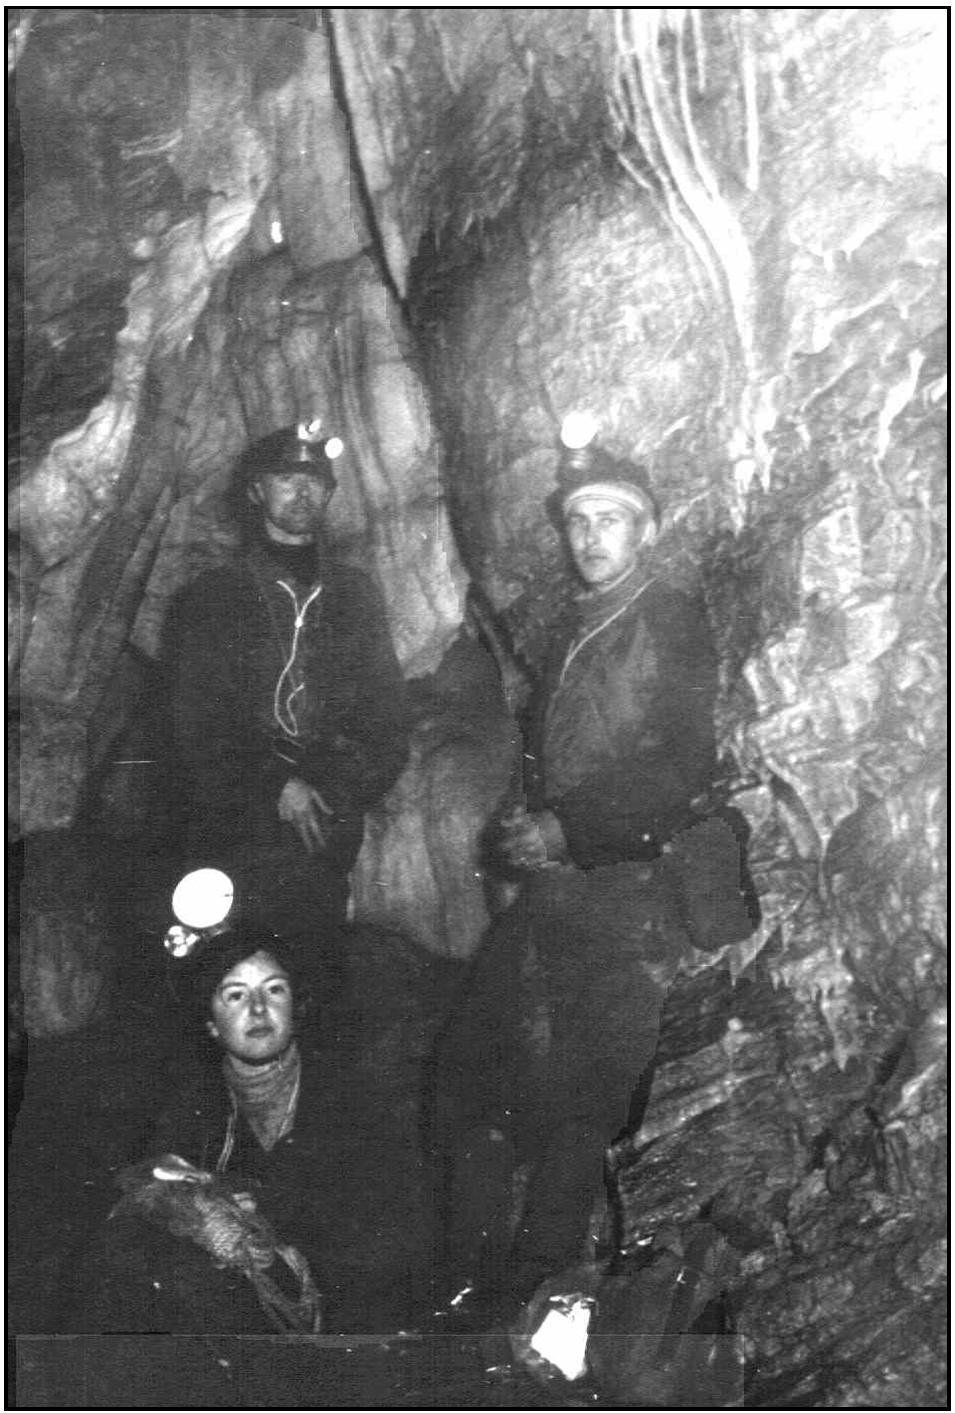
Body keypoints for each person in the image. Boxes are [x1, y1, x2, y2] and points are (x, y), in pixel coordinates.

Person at [432, 420, 758, 1324]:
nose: (590, 535)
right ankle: (469, 1278)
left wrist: (566, 826)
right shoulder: (578, 623)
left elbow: (678, 760)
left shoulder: (667, 617)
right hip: (559, 891)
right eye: (577, 520)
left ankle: (536, 1291)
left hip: (628, 892)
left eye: (609, 517)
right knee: (477, 1073)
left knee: (585, 1096)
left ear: (644, 529)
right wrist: (526, 822)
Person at [68, 914, 433, 1340]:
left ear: (295, 1005)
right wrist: (196, 1210)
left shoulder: (355, 1092)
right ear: (210, 1024)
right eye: (235, 996)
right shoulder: (194, 1100)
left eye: (274, 990)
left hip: (342, 1301)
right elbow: (152, 1176)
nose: (259, 1009)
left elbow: (391, 1234)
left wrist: (261, 1214)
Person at [166, 421, 411, 982]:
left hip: (323, 828)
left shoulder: (354, 595)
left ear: (328, 493)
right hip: (236, 822)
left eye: (314, 480)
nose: (301, 491)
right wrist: (274, 785)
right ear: (256, 492)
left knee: (311, 977)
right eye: (284, 478)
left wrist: (336, 788)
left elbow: (387, 716)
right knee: (230, 978)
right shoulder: (211, 598)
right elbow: (195, 722)